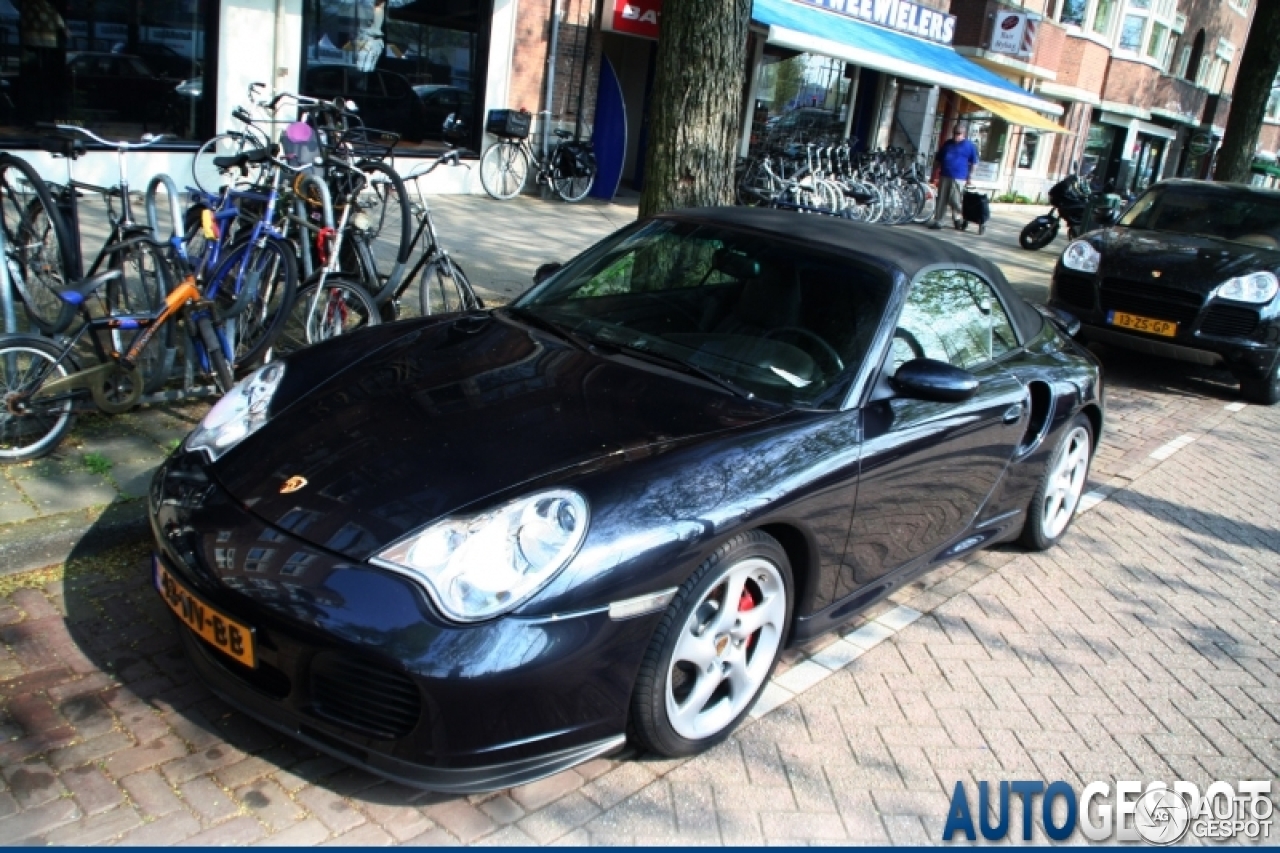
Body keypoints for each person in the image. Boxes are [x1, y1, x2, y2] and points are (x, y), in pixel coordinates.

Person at [929, 124, 979, 230]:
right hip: (944, 175)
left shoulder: (969, 146)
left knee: (955, 200)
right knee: (942, 199)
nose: (956, 135)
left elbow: (974, 163)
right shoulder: (947, 144)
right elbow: (938, 160)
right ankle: (939, 220)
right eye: (954, 133)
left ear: (964, 134)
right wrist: (934, 173)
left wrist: (970, 177)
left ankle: (959, 218)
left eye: (958, 133)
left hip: (959, 177)